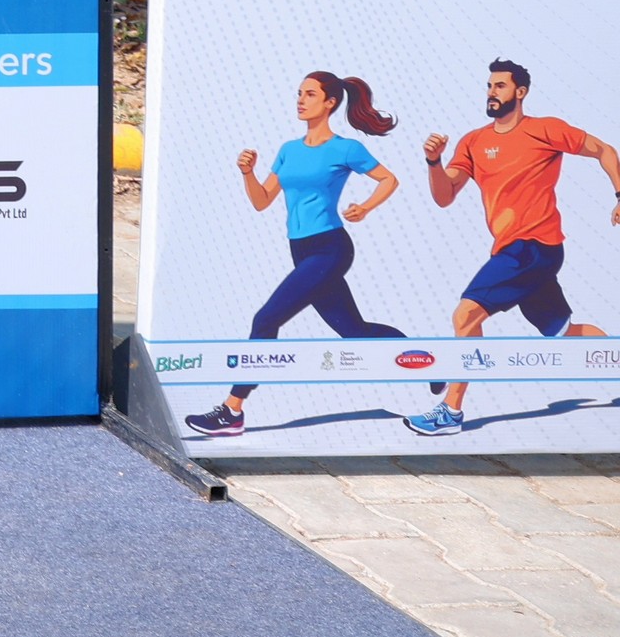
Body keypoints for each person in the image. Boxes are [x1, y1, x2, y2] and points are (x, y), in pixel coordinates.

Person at [407, 59, 620, 437]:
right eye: (489, 86)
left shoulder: (545, 129)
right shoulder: (473, 141)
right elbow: (444, 195)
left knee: (465, 315)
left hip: (534, 245)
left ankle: (451, 411)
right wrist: (433, 162)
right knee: (564, 333)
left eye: (500, 86)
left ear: (520, 92)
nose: (492, 92)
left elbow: (604, 150)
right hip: (514, 250)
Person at [182, 71, 400, 438]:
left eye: (310, 94)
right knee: (354, 331)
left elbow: (389, 179)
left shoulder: (345, 149)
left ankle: (232, 410)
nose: (301, 100)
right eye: (299, 93)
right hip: (301, 250)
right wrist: (248, 173)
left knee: (266, 319)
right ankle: (427, 359)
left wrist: (365, 207)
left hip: (330, 248)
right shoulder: (288, 150)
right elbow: (262, 201)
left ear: (330, 102)